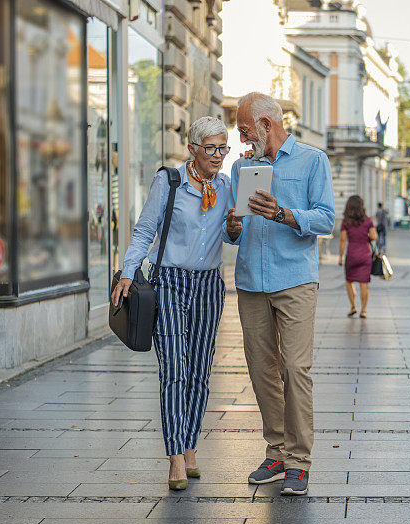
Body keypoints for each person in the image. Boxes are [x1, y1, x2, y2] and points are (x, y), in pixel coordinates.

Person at [111, 116, 232, 491]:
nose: (217, 155)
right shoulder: (169, 181)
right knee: (175, 370)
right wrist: (129, 271)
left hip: (209, 285)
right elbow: (145, 229)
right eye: (210, 148)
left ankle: (190, 443)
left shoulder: (227, 186)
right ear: (192, 149)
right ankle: (175, 456)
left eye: (222, 148)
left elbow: (231, 235)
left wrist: (235, 230)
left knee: (199, 371)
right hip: (170, 283)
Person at [223, 92, 335, 496]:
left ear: (268, 124)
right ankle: (276, 450)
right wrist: (232, 229)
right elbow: (231, 231)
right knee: (261, 371)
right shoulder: (241, 168)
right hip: (252, 280)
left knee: (296, 369)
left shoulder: (312, 160)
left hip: (295, 280)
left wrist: (283, 214)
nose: (243, 138)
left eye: (245, 130)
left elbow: (326, 219)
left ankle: (299, 462)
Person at [338, 196, 378, 319]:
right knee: (364, 284)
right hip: (365, 255)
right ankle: (364, 310)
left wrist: (340, 256)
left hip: (351, 255)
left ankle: (353, 306)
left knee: (349, 281)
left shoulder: (345, 222)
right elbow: (374, 236)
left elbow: (343, 240)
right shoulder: (368, 220)